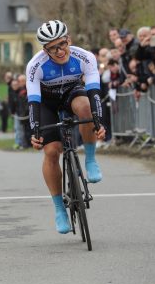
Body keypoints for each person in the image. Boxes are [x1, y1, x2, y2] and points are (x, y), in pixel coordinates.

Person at [26, 20, 106, 234]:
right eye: (53, 48)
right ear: (45, 50)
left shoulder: (85, 57)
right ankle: (59, 208)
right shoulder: (35, 66)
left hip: (73, 94)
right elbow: (33, 101)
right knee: (51, 151)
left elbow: (94, 92)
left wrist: (98, 121)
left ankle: (90, 158)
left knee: (86, 109)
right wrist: (35, 131)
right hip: (46, 103)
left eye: (62, 44)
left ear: (69, 39)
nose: (60, 51)